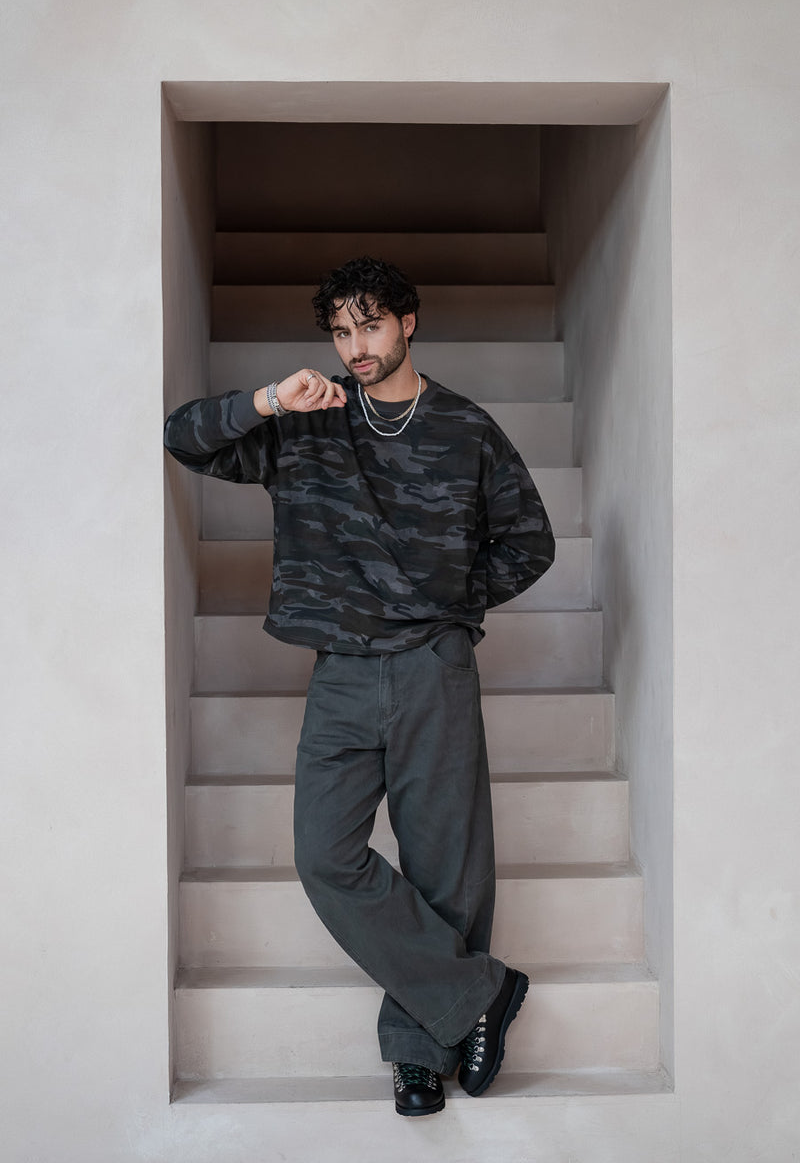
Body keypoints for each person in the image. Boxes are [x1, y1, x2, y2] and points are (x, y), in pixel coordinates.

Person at [164, 256, 555, 1116]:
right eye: (341, 332)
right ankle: (478, 992)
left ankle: (418, 1054)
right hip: (341, 669)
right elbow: (184, 436)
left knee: (445, 864)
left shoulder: (466, 428)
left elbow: (532, 543)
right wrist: (269, 400)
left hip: (432, 666)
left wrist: (447, 601)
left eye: (370, 326)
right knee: (325, 854)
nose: (356, 347)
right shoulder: (308, 422)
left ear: (408, 322)